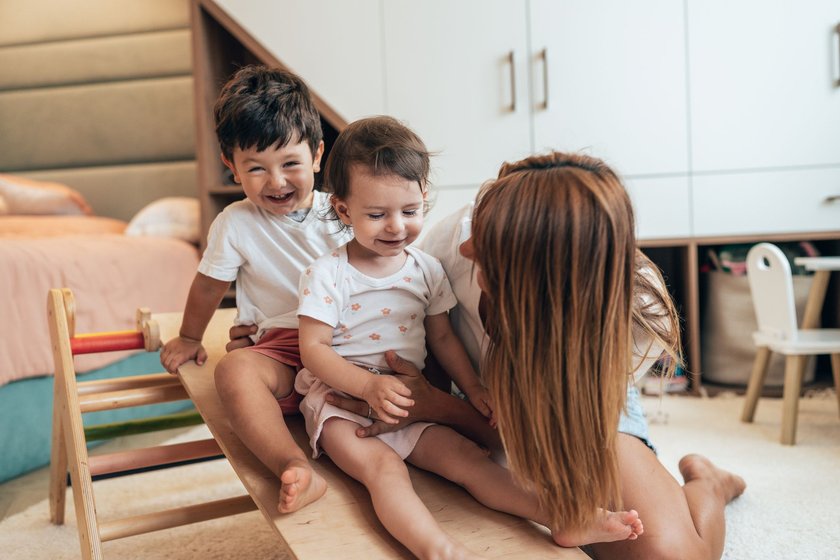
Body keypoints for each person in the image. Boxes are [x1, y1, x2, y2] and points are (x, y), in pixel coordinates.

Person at [322, 151, 747, 560]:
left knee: (667, 556)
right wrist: (415, 399)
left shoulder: (636, 309)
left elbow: (547, 446)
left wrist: (442, 409)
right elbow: (424, 369)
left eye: (488, 252)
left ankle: (708, 482)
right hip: (478, 401)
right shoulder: (452, 243)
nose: (469, 251)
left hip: (583, 418)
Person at [295, 117, 644, 559]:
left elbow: (442, 337)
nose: (396, 228)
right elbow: (313, 350)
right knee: (385, 471)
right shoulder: (327, 274)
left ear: (424, 198)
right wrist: (366, 386)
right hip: (341, 404)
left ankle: (565, 519)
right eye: (377, 215)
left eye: (409, 212)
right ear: (344, 210)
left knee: (469, 461)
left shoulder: (426, 269)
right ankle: (438, 549)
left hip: (409, 401)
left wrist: (474, 388)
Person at [159, 65, 352, 514]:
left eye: (290, 164)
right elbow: (209, 286)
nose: (277, 182)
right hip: (284, 348)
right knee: (233, 371)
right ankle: (293, 464)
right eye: (256, 169)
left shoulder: (342, 212)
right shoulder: (235, 224)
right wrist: (190, 337)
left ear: (318, 154)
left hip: (349, 341)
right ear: (231, 166)